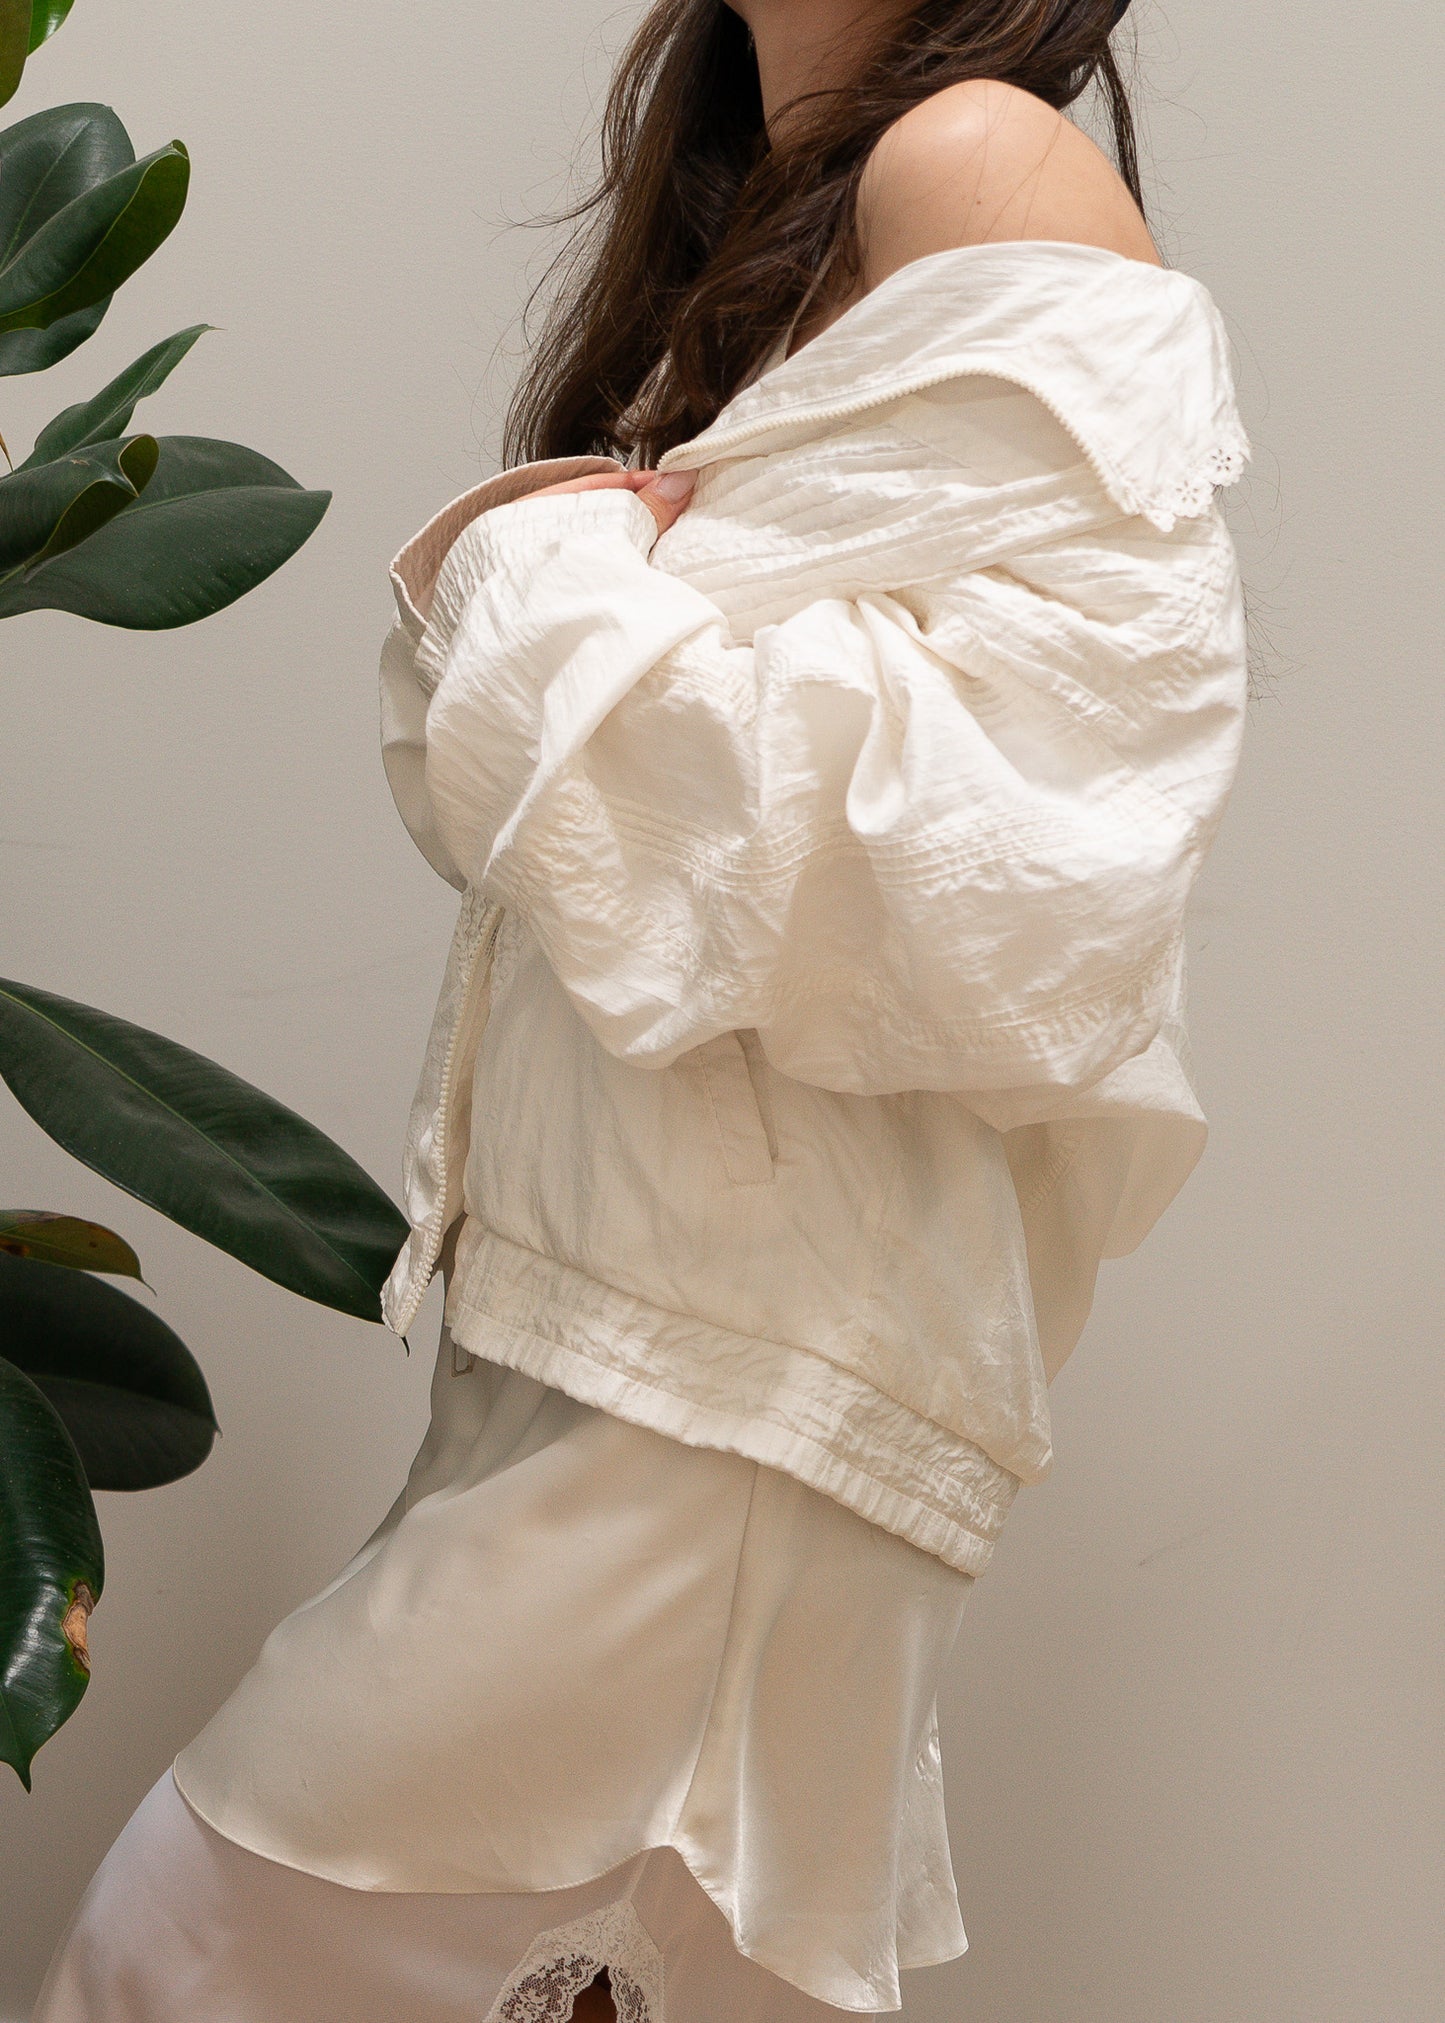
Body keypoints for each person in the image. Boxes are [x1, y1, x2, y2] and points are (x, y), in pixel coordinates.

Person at [33, 0, 1250, 2017]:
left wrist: (546, 563)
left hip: (728, 1414)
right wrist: (552, 593)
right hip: (636, 1364)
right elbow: (555, 806)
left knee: (175, 1960)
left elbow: (1040, 876)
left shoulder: (973, 158)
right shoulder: (774, 203)